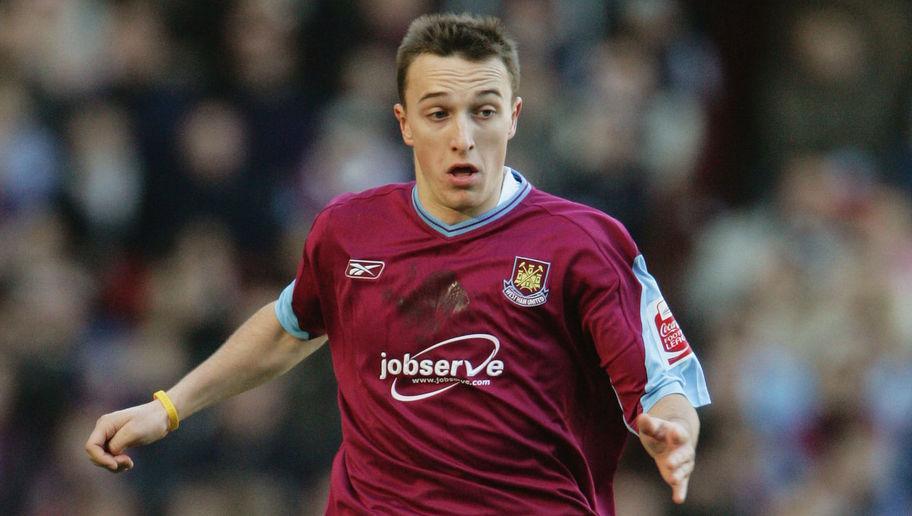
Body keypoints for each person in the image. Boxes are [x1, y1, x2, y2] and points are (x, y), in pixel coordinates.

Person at [85, 13, 710, 515]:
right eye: (439, 113)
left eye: (484, 111)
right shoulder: (349, 231)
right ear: (404, 124)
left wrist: (674, 434)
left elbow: (663, 383)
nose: (463, 136)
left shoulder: (585, 244)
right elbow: (287, 329)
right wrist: (166, 409)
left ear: (514, 118)